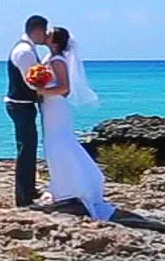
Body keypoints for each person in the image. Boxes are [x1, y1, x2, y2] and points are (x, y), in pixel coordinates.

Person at [35, 27, 116, 221]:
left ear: (55, 40)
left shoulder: (56, 60)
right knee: (56, 143)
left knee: (58, 143)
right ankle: (65, 183)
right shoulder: (53, 58)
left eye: (49, 33)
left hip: (55, 106)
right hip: (50, 107)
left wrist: (40, 92)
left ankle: (71, 186)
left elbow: (64, 88)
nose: (45, 35)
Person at [4, 15, 50, 207]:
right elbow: (30, 82)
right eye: (44, 32)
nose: (45, 36)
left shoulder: (27, 49)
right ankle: (24, 195)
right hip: (20, 104)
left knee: (29, 147)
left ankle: (28, 189)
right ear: (37, 30)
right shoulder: (24, 52)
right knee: (26, 149)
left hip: (23, 104)